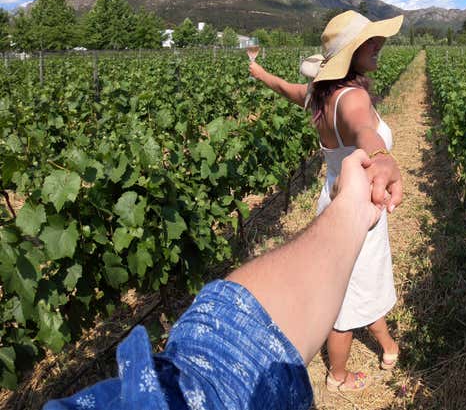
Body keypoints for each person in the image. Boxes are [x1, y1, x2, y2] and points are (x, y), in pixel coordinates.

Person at [45, 150, 392, 410]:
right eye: (369, 48)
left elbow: (231, 359)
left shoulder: (318, 97)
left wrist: (352, 207)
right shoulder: (350, 99)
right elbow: (229, 364)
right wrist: (358, 199)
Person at [248, 10, 404, 391]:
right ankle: (338, 375)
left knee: (358, 280)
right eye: (371, 41)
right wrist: (382, 158)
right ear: (351, 53)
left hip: (331, 196)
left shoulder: (319, 96)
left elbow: (286, 88)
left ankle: (386, 345)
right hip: (357, 206)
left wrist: (258, 71)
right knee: (347, 294)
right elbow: (363, 129)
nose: (379, 45)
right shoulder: (352, 98)